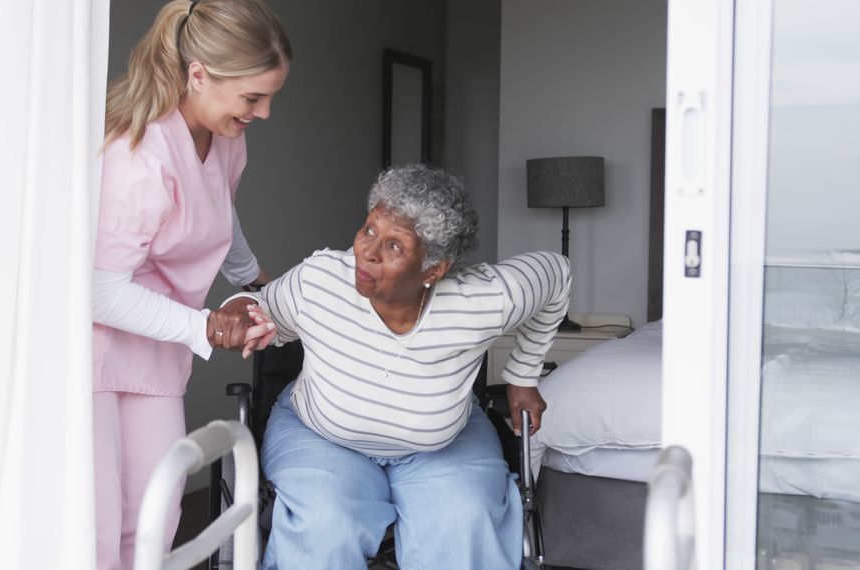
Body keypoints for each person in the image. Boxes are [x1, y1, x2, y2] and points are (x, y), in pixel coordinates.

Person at [218, 164, 571, 569]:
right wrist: (237, 313)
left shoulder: (487, 299)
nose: (366, 252)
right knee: (325, 526)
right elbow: (261, 308)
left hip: (444, 448)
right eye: (369, 230)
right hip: (321, 437)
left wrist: (523, 376)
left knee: (462, 522)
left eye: (394, 246)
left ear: (434, 270)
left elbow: (557, 275)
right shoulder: (320, 280)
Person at [90, 1, 290, 568]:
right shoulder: (137, 154)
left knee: (155, 522)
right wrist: (205, 324)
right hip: (95, 353)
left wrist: (255, 281)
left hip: (156, 350)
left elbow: (219, 212)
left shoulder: (225, 138)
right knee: (100, 535)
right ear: (198, 74)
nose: (265, 111)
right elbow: (99, 291)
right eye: (253, 97)